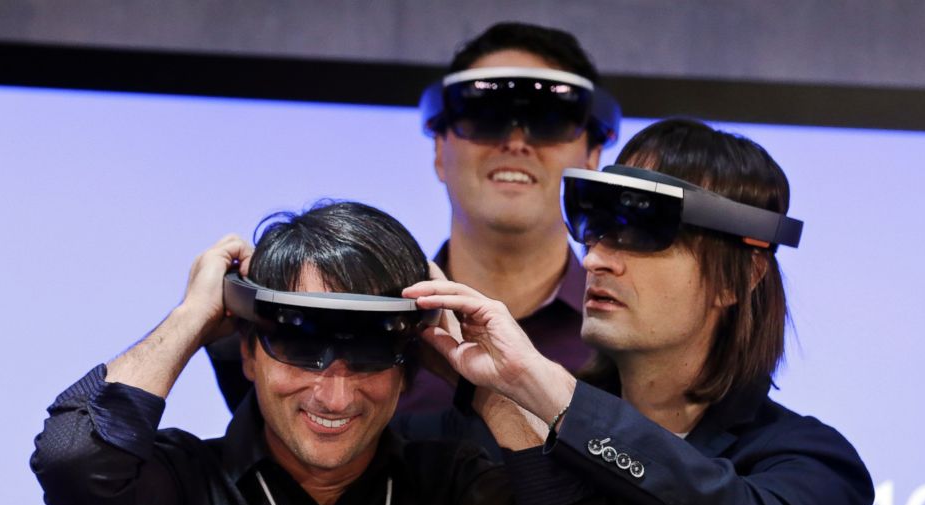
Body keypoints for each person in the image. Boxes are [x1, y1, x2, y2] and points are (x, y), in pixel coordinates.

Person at [31, 201, 626, 505]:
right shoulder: (189, 489)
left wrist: (483, 383)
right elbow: (70, 461)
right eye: (299, 349)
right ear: (249, 353)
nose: (334, 395)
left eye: (368, 357)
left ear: (408, 367)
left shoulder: (448, 487)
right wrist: (191, 318)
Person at [404, 119, 875, 505]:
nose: (594, 261)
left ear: (739, 279)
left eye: (643, 233)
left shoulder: (814, 461)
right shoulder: (504, 432)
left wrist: (550, 391)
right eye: (596, 228)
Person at [207, 22, 621, 417]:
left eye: (550, 120)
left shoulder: (629, 330)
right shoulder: (382, 318)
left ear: (593, 158)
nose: (515, 141)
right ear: (440, 151)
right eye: (484, 115)